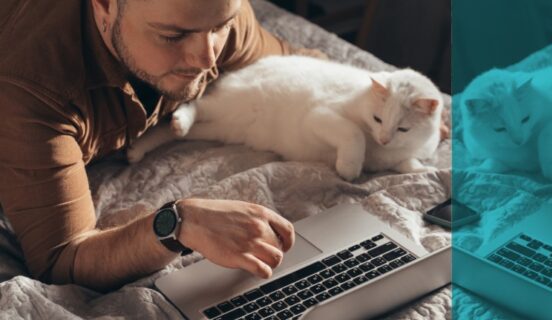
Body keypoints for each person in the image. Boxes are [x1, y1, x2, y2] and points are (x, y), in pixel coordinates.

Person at [0, 0, 334, 292]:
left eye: (222, 27)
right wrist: (177, 223)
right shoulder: (29, 83)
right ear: (104, 4)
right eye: (172, 36)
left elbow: (299, 67)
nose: (206, 58)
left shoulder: (208, 15)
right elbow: (64, 259)